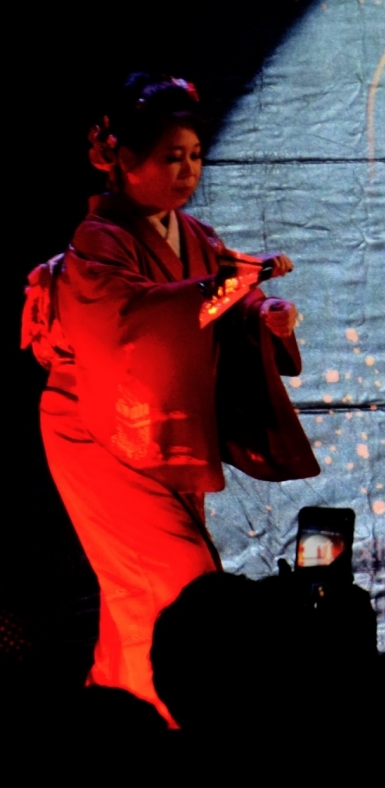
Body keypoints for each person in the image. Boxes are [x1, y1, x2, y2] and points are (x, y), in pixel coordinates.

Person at [22, 73, 320, 718]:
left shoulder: (196, 236)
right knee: (179, 575)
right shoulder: (98, 241)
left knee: (138, 588)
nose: (187, 171)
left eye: (194, 156)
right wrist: (226, 289)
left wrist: (264, 314)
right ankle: (172, 713)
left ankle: (122, 703)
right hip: (94, 427)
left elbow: (221, 303)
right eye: (170, 157)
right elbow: (131, 321)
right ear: (124, 160)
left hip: (157, 424)